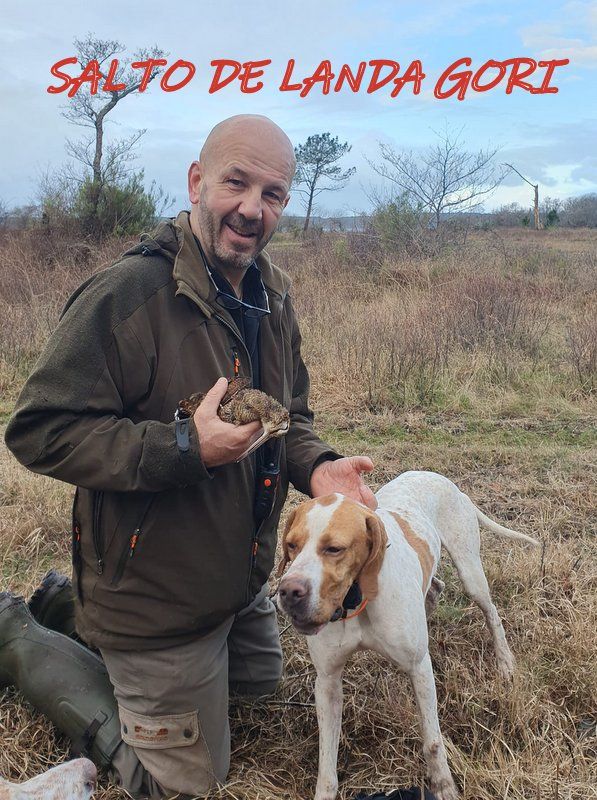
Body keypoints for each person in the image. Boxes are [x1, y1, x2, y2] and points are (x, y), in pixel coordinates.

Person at [2, 114, 376, 799]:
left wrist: (318, 464)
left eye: (272, 194)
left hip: (234, 580)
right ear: (198, 182)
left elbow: (282, 418)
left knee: (259, 696)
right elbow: (38, 429)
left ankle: (65, 607)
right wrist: (184, 448)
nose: (251, 208)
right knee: (184, 782)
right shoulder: (126, 295)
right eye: (236, 182)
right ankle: (16, 633)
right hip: (154, 596)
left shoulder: (272, 292)